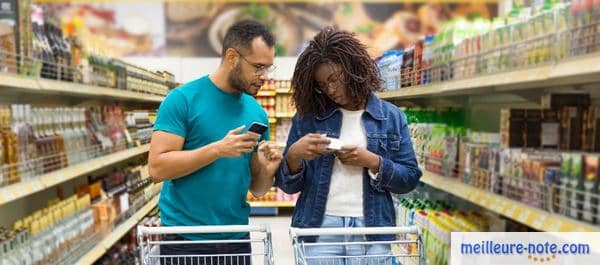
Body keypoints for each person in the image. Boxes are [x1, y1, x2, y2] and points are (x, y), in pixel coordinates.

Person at [276, 27, 422, 265]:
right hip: (319, 230)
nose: (330, 90)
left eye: (334, 79)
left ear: (353, 68)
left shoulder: (391, 117)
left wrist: (373, 162)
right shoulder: (308, 118)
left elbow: (410, 178)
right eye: (322, 85)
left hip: (373, 230)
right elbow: (288, 186)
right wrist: (293, 156)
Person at [148, 20, 282, 265]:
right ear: (232, 57)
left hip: (237, 239)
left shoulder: (256, 113)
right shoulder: (182, 100)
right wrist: (218, 149)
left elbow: (258, 189)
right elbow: (157, 168)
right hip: (185, 241)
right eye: (258, 67)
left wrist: (267, 170)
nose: (264, 77)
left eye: (268, 68)